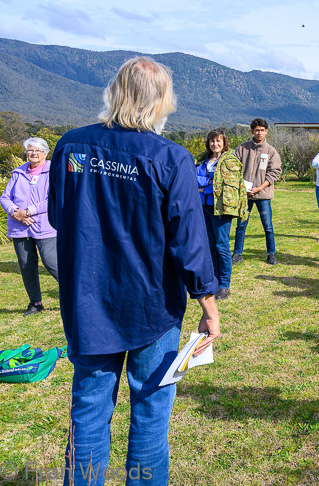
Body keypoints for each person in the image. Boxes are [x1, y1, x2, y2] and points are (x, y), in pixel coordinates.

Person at [48, 56, 220, 486]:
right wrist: (209, 305)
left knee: (88, 408)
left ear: (114, 91)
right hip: (152, 305)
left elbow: (57, 214)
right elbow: (190, 242)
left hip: (87, 298)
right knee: (150, 409)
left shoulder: (71, 145)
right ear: (163, 102)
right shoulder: (170, 157)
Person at [1, 137, 59, 316]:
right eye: (30, 150)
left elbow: (52, 199)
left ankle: (78, 295)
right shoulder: (18, 173)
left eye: (37, 150)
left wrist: (27, 212)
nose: (33, 153)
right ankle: (35, 303)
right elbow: (4, 198)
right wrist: (16, 212)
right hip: (19, 227)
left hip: (45, 226)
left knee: (51, 261)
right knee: (26, 265)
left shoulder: (53, 171)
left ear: (45, 153)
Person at [196, 128, 248, 300]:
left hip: (222, 209)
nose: (215, 144)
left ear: (224, 142)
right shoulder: (204, 159)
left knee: (222, 246)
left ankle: (225, 286)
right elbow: (194, 178)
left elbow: (226, 185)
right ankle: (214, 282)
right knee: (210, 246)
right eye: (212, 140)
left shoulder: (230, 161)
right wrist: (209, 182)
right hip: (204, 207)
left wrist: (203, 187)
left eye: (218, 141)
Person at [232, 118, 282, 265]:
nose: (259, 132)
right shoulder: (242, 148)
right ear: (252, 131)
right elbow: (233, 167)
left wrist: (259, 188)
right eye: (256, 130)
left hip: (263, 195)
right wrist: (242, 188)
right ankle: (237, 254)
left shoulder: (271, 151)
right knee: (241, 225)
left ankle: (271, 254)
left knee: (268, 226)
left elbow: (274, 173)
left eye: (262, 130)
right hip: (245, 195)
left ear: (266, 131)